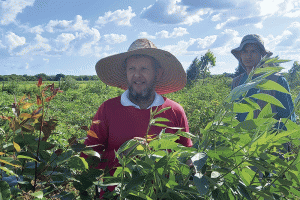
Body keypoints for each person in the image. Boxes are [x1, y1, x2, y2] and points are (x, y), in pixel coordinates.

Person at [81, 38, 193, 197]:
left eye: (144, 68)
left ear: (158, 73)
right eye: (131, 68)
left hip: (162, 194)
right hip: (116, 194)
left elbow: (185, 154)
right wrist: (122, 155)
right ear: (125, 73)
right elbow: (88, 155)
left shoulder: (174, 111)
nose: (137, 75)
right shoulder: (108, 109)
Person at [231, 34, 296, 122]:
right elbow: (232, 114)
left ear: (262, 55)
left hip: (266, 134)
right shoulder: (236, 82)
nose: (248, 55)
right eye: (245, 51)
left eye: (253, 51)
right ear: (240, 55)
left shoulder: (277, 80)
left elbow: (288, 119)